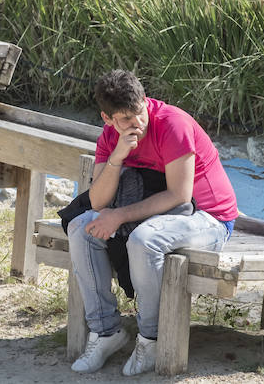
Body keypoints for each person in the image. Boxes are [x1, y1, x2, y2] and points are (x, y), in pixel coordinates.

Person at [67, 69, 238, 375]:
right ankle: (106, 333)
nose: (137, 123)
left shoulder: (173, 124)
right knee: (81, 228)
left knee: (144, 241)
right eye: (126, 119)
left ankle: (151, 337)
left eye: (139, 112)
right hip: (161, 216)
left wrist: (119, 216)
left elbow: (179, 194)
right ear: (107, 118)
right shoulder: (109, 136)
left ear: (145, 99)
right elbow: (98, 202)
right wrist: (118, 156)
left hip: (209, 218)